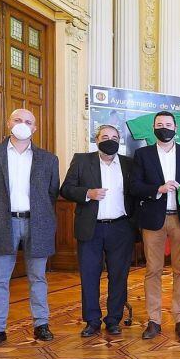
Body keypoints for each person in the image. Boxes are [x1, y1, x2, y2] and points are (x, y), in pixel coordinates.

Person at [0, 109, 60, 350]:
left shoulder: (48, 158)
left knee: (38, 277)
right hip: (2, 223)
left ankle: (41, 324)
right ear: (8, 123)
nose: (22, 124)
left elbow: (52, 192)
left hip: (38, 222)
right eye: (17, 120)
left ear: (34, 129)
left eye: (28, 122)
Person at [128, 110, 180, 340]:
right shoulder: (142, 154)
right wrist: (157, 189)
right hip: (153, 218)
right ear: (153, 128)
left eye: (168, 124)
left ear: (175, 128)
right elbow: (134, 186)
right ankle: (154, 320)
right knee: (153, 270)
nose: (164, 127)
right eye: (159, 124)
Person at [59, 124, 135, 337]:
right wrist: (87, 193)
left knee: (119, 276)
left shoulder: (129, 164)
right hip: (90, 228)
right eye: (105, 136)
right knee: (90, 275)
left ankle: (113, 320)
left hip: (121, 228)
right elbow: (65, 189)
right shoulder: (82, 160)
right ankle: (92, 321)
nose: (109, 140)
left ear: (119, 141)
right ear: (97, 139)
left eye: (114, 137)